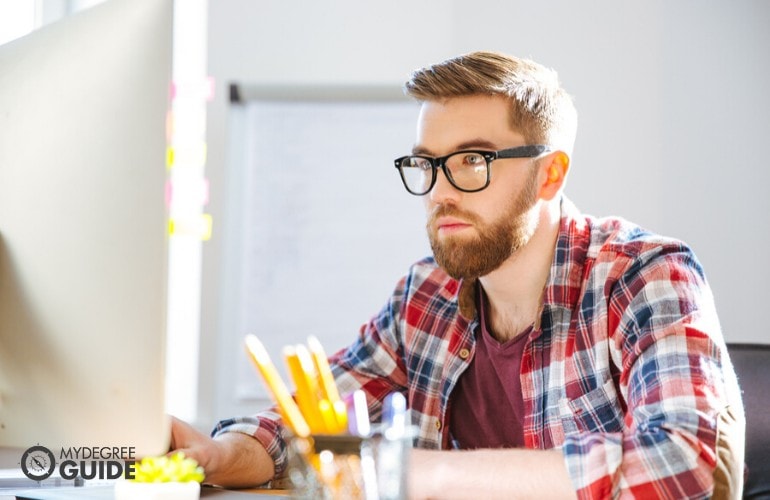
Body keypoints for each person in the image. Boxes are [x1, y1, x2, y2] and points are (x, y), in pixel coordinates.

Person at [170, 51, 745, 498]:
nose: (440, 192)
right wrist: (230, 452)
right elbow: (314, 422)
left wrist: (420, 476)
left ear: (549, 176)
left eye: (473, 160)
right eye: (427, 163)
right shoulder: (427, 295)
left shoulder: (645, 276)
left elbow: (686, 463)